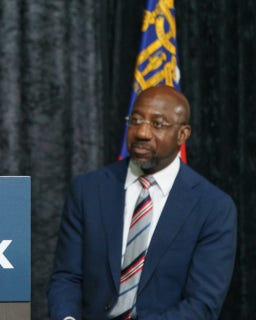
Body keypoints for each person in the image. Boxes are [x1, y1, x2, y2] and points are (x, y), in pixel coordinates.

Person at [47, 85, 237, 320]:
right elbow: (67, 277)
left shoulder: (213, 207)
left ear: (183, 134)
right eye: (135, 120)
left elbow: (201, 305)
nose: (142, 132)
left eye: (157, 124)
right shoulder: (88, 190)